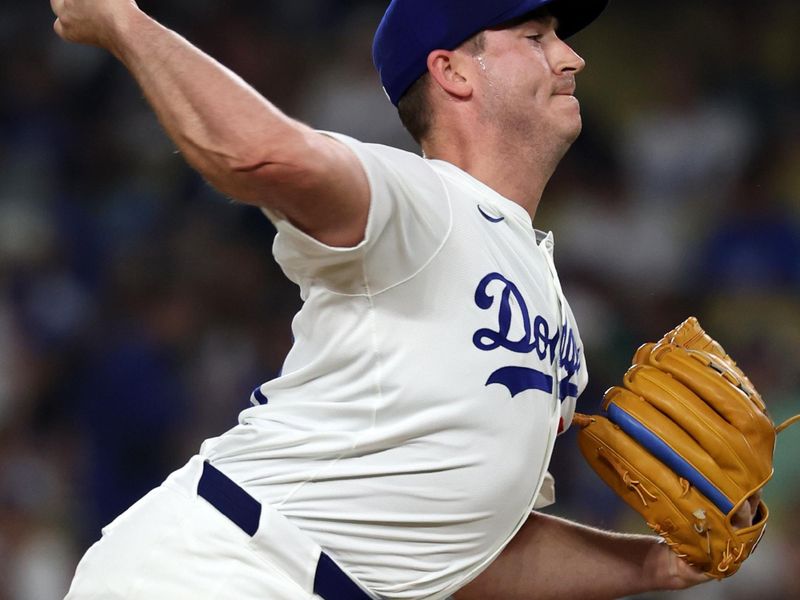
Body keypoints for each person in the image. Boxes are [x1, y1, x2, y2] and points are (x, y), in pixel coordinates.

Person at [51, 0, 754, 598]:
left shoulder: (548, 303)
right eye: (536, 38)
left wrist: (654, 565)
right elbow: (262, 155)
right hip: (222, 568)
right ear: (452, 71)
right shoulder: (421, 200)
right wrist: (123, 20)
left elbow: (464, 548)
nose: (570, 59)